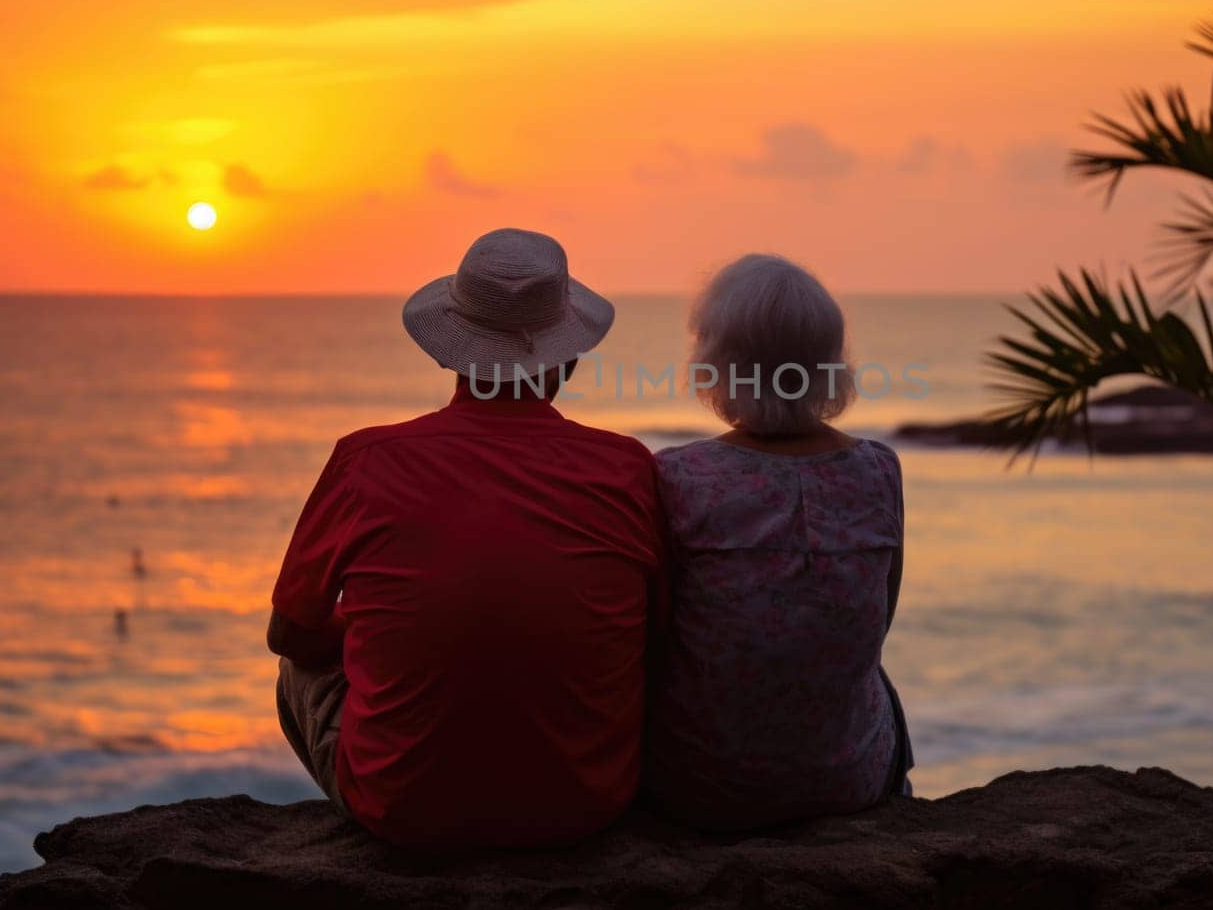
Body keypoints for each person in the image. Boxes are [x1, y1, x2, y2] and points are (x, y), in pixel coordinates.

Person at [268, 227, 663, 848]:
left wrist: (383, 629)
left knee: (298, 668)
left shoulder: (364, 460)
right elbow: (653, 633)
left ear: (447, 353)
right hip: (586, 806)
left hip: (404, 813)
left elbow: (288, 634)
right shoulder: (629, 469)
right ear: (568, 358)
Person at [643, 253, 913, 829]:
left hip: (701, 786)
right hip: (847, 782)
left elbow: (657, 636)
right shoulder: (878, 471)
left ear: (715, 361)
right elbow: (877, 623)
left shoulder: (677, 477)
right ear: (829, 362)